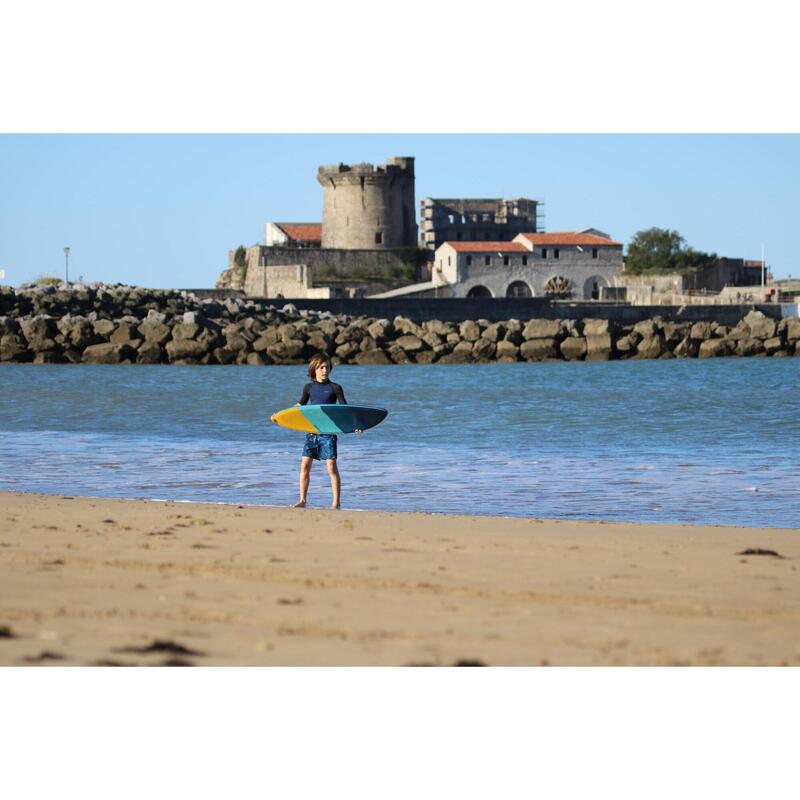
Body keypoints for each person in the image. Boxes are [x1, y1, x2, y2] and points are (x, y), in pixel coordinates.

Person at [271, 353, 361, 509]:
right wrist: (279, 416)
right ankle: (303, 500)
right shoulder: (309, 388)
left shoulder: (335, 388)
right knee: (304, 465)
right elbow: (299, 406)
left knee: (331, 466)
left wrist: (356, 424)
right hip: (312, 431)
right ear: (314, 369)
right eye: (321, 367)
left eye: (327, 367)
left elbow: (346, 409)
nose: (325, 370)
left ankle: (336, 502)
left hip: (328, 432)